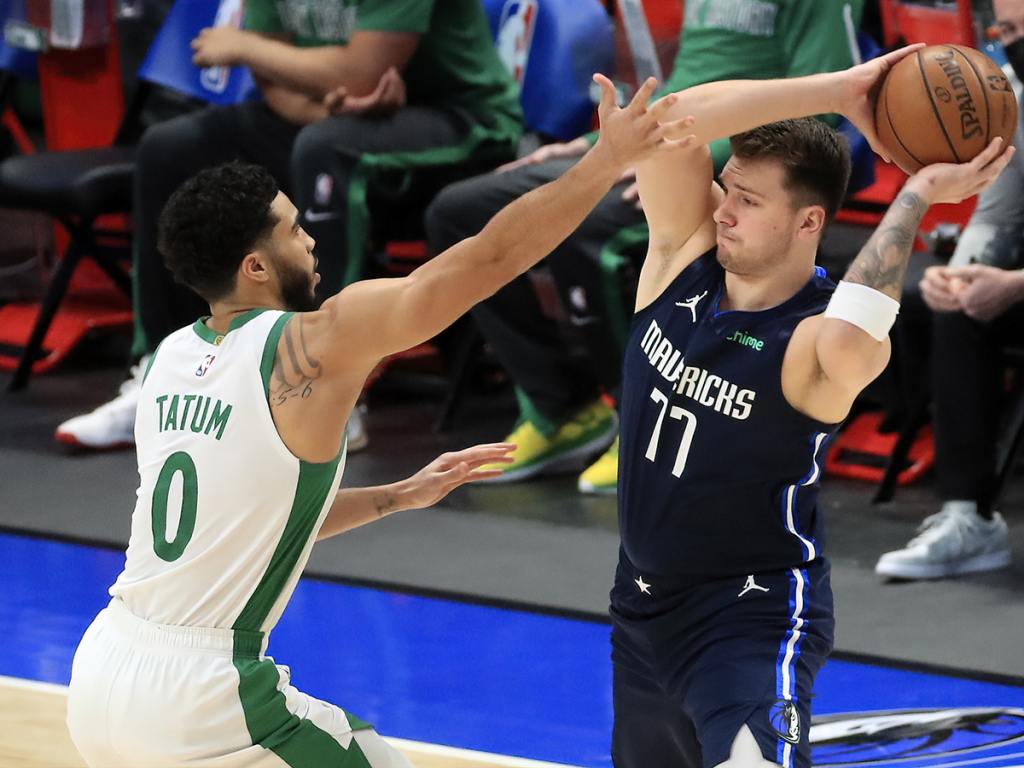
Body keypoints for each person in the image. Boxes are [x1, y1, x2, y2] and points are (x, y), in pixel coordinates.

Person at [64, 79, 691, 767]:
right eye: (296, 232)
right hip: (204, 693)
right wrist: (604, 160)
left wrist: (396, 496)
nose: (311, 244)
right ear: (254, 265)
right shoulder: (311, 344)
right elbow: (486, 261)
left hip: (101, 671)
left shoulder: (170, 360)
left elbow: (242, 522)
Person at [606, 50, 1014, 768]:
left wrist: (914, 195)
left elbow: (859, 334)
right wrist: (842, 91)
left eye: (749, 201)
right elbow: (667, 122)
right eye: (727, 189)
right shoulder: (680, 256)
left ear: (809, 222)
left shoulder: (816, 338)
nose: (723, 210)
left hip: (749, 616)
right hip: (639, 605)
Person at [425, 0, 864, 494]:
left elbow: (821, 105)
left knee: (590, 229)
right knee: (461, 211)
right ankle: (563, 410)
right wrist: (606, 146)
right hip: (663, 142)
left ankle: (642, 416)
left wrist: (688, 157)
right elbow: (684, 88)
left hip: (722, 161)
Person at [55, 0, 523, 453]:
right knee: (170, 147)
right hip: (328, 117)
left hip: (458, 121)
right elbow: (277, 82)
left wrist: (244, 47)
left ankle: (330, 393)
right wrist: (323, 108)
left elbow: (362, 71)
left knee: (326, 151)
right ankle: (168, 378)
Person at [874, 0, 1024, 580]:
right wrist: (964, 270)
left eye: (1014, 30)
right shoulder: (1011, 95)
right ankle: (969, 520)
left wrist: (1014, 284)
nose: (1004, 42)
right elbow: (999, 214)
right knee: (957, 308)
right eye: (1000, 31)